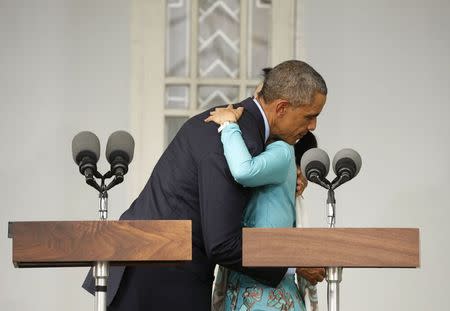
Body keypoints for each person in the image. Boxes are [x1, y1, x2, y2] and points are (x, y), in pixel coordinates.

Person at [82, 60, 328, 310]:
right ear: (282, 107)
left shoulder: (235, 125)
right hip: (158, 277)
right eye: (310, 116)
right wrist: (292, 261)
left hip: (148, 268)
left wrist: (288, 185)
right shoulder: (241, 139)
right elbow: (222, 243)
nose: (312, 127)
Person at [205, 103, 322, 310]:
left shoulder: (282, 158)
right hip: (260, 294)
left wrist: (229, 125)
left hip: (267, 297)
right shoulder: (283, 153)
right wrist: (229, 125)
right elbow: (244, 171)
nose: (299, 179)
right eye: (299, 169)